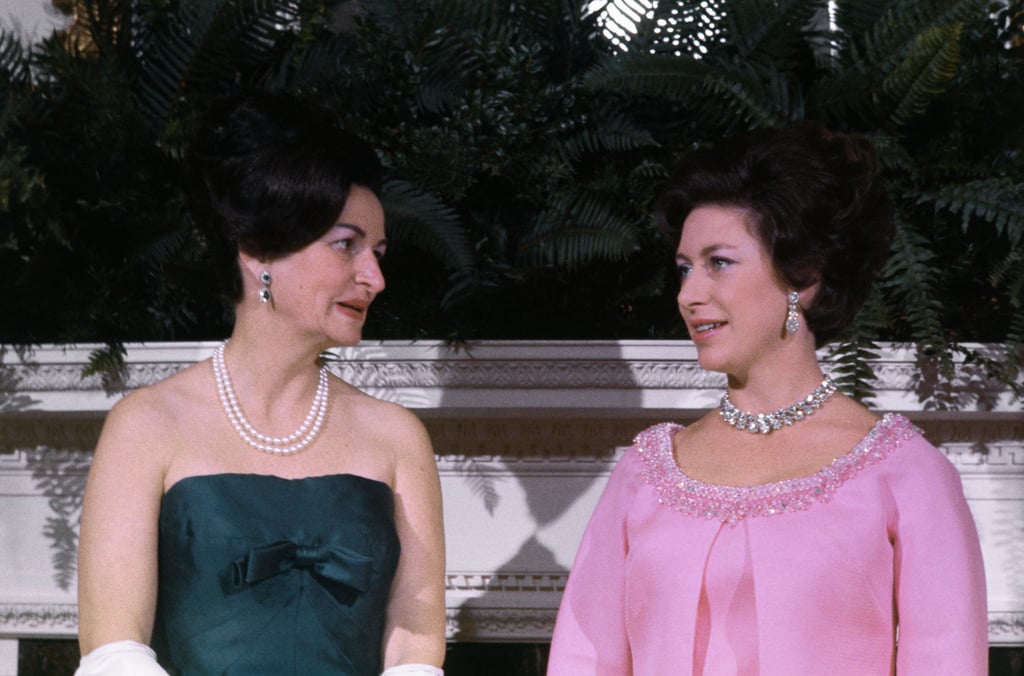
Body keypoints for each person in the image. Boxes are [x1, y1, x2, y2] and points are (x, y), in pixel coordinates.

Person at [547, 123, 987, 675]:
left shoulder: (906, 475)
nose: (688, 295)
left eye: (719, 263)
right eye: (684, 268)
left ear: (801, 276)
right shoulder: (647, 472)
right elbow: (582, 660)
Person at [75, 92, 447, 676]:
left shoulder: (398, 437)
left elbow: (415, 652)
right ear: (258, 254)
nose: (374, 277)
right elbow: (113, 652)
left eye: (377, 252)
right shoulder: (145, 425)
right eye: (346, 245)